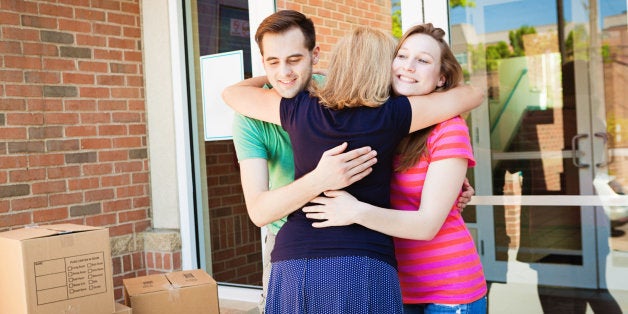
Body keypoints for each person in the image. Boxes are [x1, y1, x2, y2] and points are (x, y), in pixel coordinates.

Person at [223, 23, 483, 313]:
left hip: (292, 258)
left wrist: (280, 75)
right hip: (361, 259)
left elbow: (232, 93)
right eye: (398, 58)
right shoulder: (392, 116)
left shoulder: (300, 108)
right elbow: (472, 95)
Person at [301, 23, 487, 313]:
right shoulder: (382, 120)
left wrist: (355, 211)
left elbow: (427, 225)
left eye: (423, 60)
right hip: (394, 284)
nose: (409, 66)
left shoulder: (449, 129)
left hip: (448, 290)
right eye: (401, 56)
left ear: (441, 78)